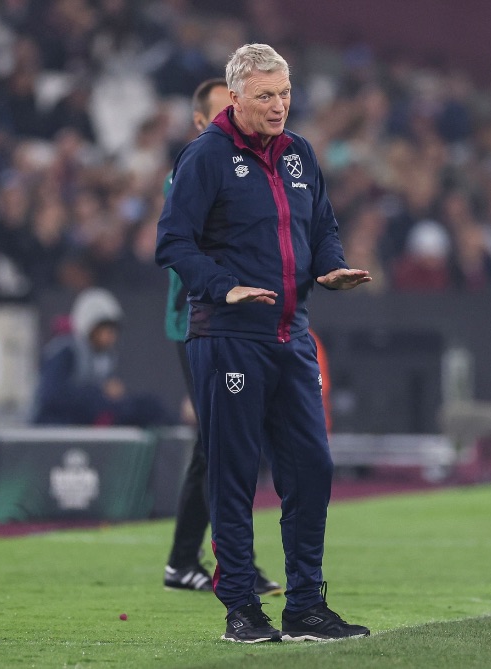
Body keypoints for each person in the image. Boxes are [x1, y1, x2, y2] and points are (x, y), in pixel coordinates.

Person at [155, 44, 372, 643]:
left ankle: (305, 605)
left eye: (285, 93)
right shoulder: (204, 158)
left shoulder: (300, 154)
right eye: (266, 96)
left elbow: (322, 226)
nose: (280, 106)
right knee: (233, 473)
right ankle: (242, 611)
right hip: (228, 339)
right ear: (235, 98)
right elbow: (173, 243)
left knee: (312, 468)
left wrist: (330, 268)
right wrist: (222, 289)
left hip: (291, 336)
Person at [161, 77, 282, 597]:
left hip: (236, 322)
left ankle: (197, 562)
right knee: (222, 443)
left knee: (223, 444)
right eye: (221, 112)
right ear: (200, 121)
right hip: (198, 321)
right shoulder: (197, 167)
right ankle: (215, 562)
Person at [31, 287, 168, 427]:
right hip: (52, 426)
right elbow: (51, 396)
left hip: (81, 425)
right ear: (89, 327)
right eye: (104, 329)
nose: (110, 336)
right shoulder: (65, 351)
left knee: (147, 407)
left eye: (113, 330)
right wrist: (100, 393)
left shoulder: (105, 359)